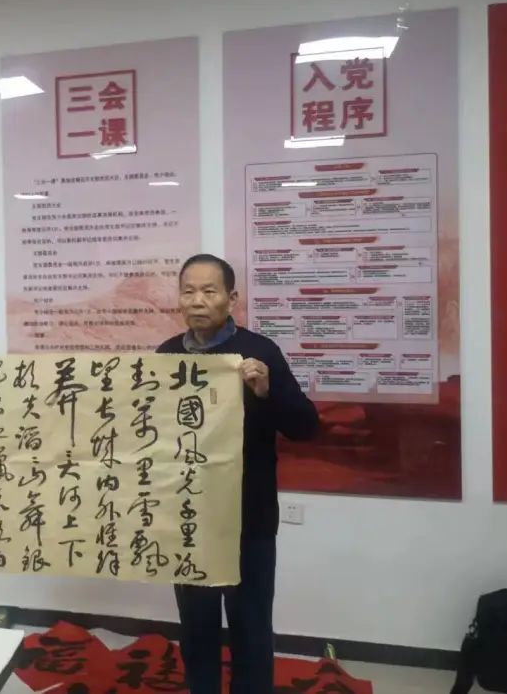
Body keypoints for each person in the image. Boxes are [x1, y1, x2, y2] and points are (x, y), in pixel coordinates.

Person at [157, 254, 319, 694]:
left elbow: (306, 427)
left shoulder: (259, 353)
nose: (197, 301)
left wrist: (267, 392)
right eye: (188, 291)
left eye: (209, 291)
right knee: (196, 627)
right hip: (190, 519)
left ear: (232, 298)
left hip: (250, 518)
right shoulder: (167, 355)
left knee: (251, 626)